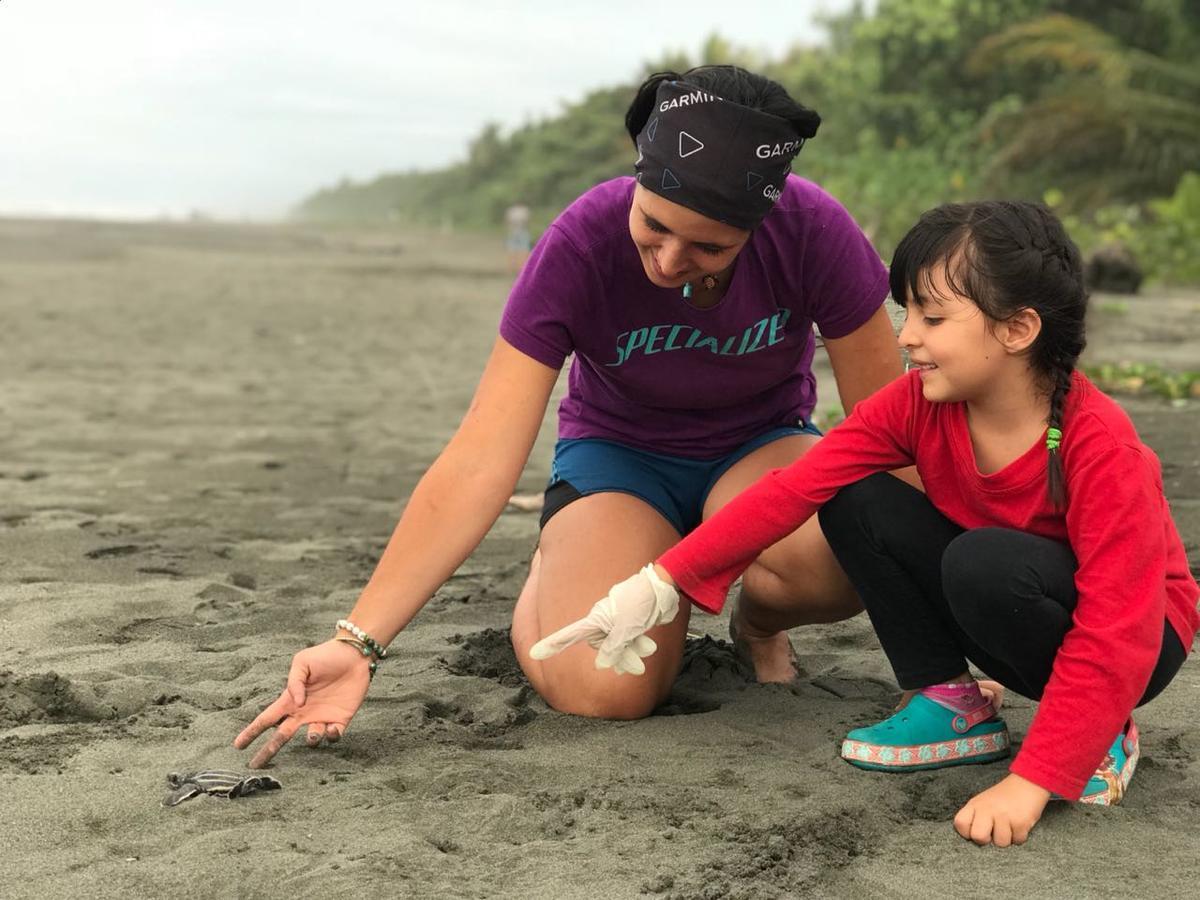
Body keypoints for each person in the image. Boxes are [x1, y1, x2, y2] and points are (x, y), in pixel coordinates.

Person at [234, 65, 907, 768]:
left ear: (758, 224)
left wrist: (961, 639)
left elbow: (890, 432)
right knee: (606, 690)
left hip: (761, 453)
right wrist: (358, 641)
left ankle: (760, 627)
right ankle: (561, 566)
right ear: (637, 178)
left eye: (709, 247)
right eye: (654, 225)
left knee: (843, 552)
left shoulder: (814, 232)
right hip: (620, 463)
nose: (670, 259)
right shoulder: (580, 244)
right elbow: (481, 456)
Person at [531, 200, 1198, 847]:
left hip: (1137, 639)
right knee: (854, 493)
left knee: (984, 560)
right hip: (1008, 610)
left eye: (933, 318)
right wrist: (658, 583)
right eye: (906, 312)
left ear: (1019, 330)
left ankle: (1100, 730)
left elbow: (1120, 621)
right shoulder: (916, 404)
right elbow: (790, 489)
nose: (906, 336)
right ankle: (949, 702)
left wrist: (1032, 781)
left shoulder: (1099, 443)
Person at [503, 203, 533, 273]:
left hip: (521, 231)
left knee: (523, 249)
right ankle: (514, 267)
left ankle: (521, 266)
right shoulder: (518, 210)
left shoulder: (521, 210)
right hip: (514, 231)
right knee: (513, 249)